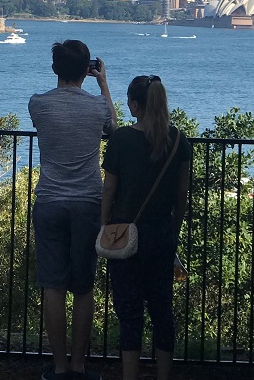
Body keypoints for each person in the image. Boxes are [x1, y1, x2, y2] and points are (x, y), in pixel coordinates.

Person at [29, 39, 117, 380]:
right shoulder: (97, 108)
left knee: (53, 285)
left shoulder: (38, 105)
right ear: (87, 70)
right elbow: (113, 129)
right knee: (83, 287)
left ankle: (59, 367)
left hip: (49, 200)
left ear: (54, 69)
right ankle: (79, 366)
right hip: (88, 202)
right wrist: (103, 83)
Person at [100, 75, 191, 380]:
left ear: (135, 105)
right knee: (162, 310)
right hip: (161, 233)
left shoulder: (122, 139)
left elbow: (109, 190)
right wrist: (173, 229)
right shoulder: (178, 141)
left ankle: (130, 376)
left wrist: (104, 225)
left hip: (125, 234)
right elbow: (181, 196)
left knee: (129, 313)